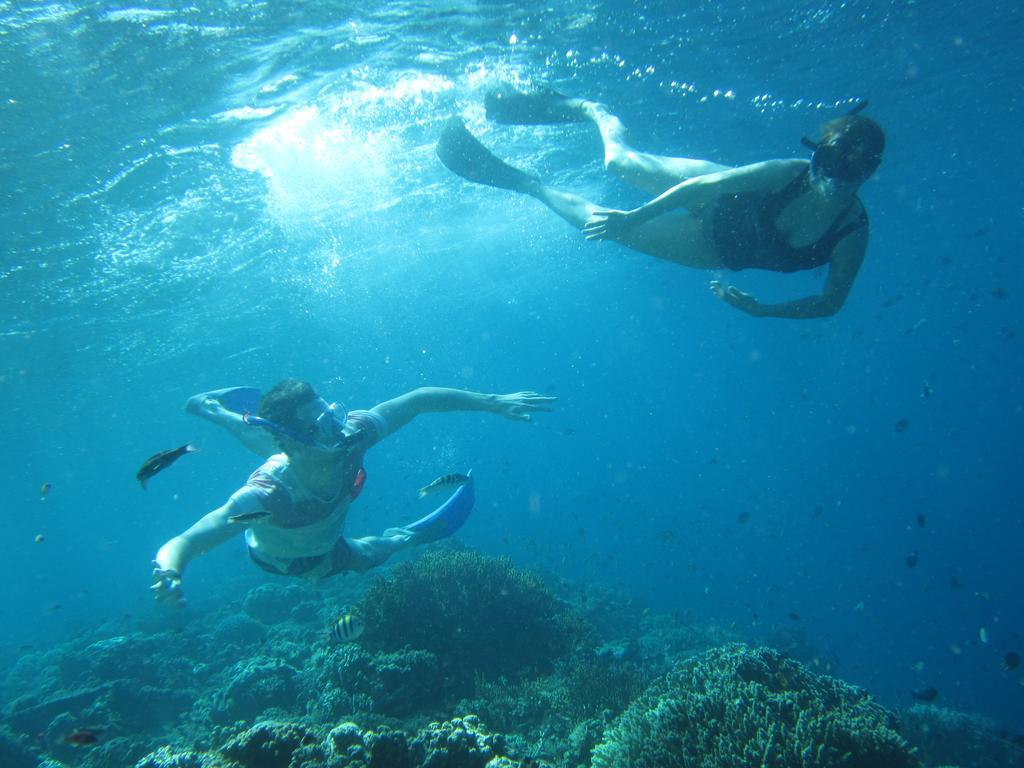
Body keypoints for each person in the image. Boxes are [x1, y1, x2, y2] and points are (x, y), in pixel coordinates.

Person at [436, 89, 885, 319]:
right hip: (714, 195)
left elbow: (830, 303)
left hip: (712, 251)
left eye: (851, 169)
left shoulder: (851, 233)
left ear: (868, 172)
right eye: (827, 160)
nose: (833, 176)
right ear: (815, 154)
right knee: (617, 163)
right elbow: (704, 186)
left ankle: (526, 184)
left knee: (596, 225)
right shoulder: (789, 172)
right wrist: (636, 214)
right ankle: (592, 109)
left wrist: (762, 310)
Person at [151, 380, 554, 606]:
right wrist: (170, 570)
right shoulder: (269, 495)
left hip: (292, 454)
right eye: (322, 426)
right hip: (292, 560)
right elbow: (190, 538)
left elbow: (418, 400)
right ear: (291, 439)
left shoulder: (350, 434)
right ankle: (211, 410)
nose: (339, 431)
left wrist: (493, 400)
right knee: (371, 555)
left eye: (333, 416)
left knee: (276, 442)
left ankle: (212, 409)